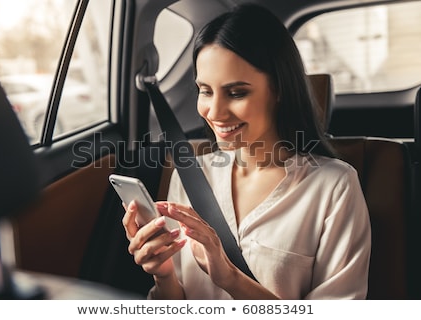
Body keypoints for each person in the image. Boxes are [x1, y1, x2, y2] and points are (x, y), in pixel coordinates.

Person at [122, 3, 371, 299]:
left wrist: (231, 278)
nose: (214, 112)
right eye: (205, 91)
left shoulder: (334, 186)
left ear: (279, 89)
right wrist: (163, 275)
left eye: (237, 93)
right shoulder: (189, 173)